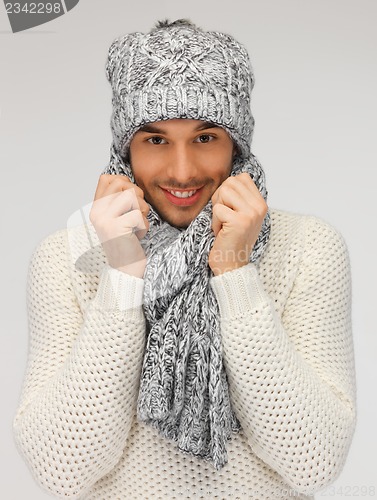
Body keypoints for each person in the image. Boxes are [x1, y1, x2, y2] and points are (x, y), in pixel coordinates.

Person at [14, 19, 356, 499]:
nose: (181, 171)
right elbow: (62, 469)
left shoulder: (309, 247)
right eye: (155, 140)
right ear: (125, 149)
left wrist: (236, 272)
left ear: (236, 144)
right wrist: (122, 274)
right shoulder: (65, 256)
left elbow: (314, 461)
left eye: (204, 137)